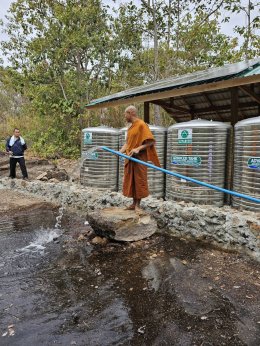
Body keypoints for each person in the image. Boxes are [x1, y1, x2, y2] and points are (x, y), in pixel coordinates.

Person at [119, 105, 160, 212]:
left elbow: (151, 141)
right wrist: (119, 152)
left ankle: (138, 205)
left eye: (125, 114)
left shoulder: (142, 125)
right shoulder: (131, 127)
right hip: (130, 158)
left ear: (131, 113)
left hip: (139, 159)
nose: (124, 116)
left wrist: (138, 149)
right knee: (131, 181)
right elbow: (128, 143)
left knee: (139, 180)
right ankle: (133, 203)